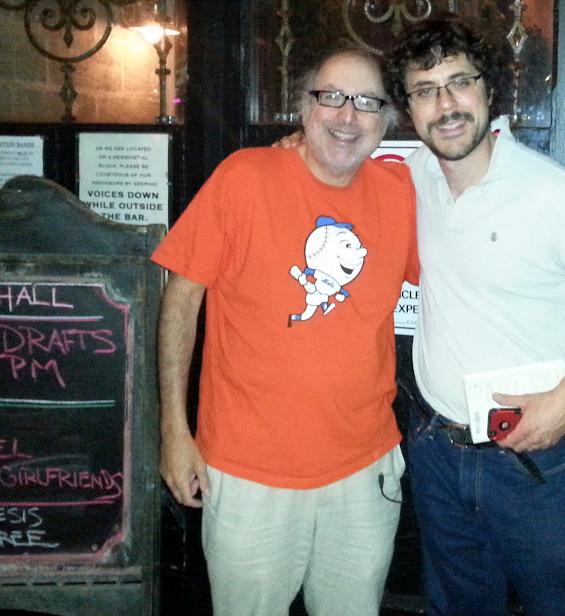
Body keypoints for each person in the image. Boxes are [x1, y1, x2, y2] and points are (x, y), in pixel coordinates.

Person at [382, 15, 565, 616]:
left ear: (489, 89)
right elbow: (338, 159)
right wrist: (295, 146)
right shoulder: (415, 173)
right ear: (409, 108)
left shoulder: (552, 194)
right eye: (425, 90)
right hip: (437, 449)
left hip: (533, 457)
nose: (445, 105)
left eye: (460, 82)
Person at [152, 48, 419, 616]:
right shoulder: (244, 177)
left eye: (367, 102)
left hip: (364, 470)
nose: (348, 116)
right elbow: (181, 298)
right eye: (332, 96)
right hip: (248, 474)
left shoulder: (401, 192)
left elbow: (468, 269)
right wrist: (173, 429)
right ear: (303, 107)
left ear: (386, 121)